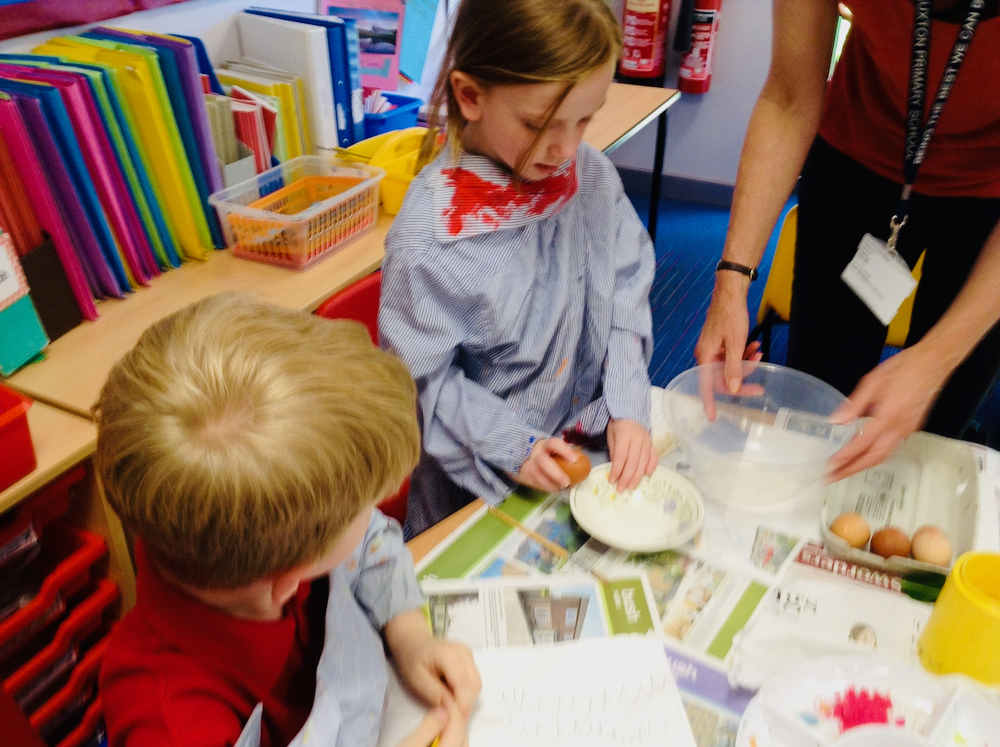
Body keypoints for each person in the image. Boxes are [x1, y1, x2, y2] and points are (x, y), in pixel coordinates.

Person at [93, 293, 481, 747]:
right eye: (362, 508)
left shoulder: (248, 546)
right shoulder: (167, 721)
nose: (371, 515)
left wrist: (411, 635)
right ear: (289, 581)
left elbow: (367, 544)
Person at [379, 0, 659, 538]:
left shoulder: (590, 177)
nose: (570, 147)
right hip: (475, 488)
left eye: (586, 119)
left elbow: (625, 289)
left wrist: (626, 404)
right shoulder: (431, 236)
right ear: (470, 96)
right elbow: (421, 383)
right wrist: (513, 445)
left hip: (577, 449)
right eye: (540, 124)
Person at [695, 0, 1000, 481]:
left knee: (936, 429)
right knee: (820, 406)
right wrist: (732, 279)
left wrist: (936, 359)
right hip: (857, 159)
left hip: (989, 197)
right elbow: (790, 96)